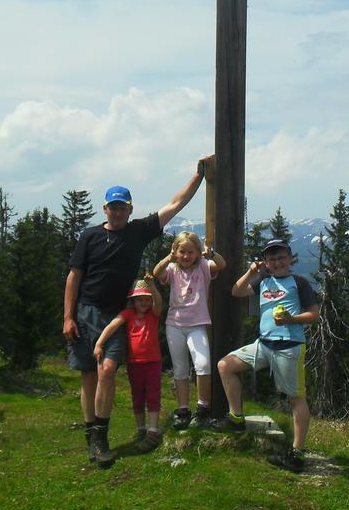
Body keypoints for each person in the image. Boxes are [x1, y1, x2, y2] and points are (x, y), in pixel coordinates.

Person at [63, 156, 210, 468]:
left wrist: (199, 174)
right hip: (85, 311)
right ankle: (92, 435)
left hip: (117, 315)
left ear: (130, 209)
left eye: (122, 207)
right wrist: (68, 316)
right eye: (112, 206)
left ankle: (101, 436)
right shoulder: (89, 236)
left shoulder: (138, 231)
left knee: (106, 370)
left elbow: (176, 203)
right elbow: (74, 275)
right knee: (88, 376)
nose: (117, 211)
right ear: (105, 209)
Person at [213, 238, 321, 472]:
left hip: (289, 346)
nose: (277, 262)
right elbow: (237, 291)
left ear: (290, 258)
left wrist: (291, 319)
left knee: (295, 399)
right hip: (263, 345)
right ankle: (236, 418)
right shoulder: (263, 281)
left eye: (281, 257)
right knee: (225, 366)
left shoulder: (299, 283)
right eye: (271, 259)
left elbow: (314, 314)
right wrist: (251, 271)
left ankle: (297, 454)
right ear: (266, 263)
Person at [151, 231, 226, 429]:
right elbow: (157, 272)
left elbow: (221, 265)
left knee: (203, 364)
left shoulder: (203, 267)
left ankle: (203, 408)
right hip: (174, 324)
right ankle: (183, 409)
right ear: (176, 252)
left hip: (197, 324)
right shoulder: (172, 269)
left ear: (197, 252)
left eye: (190, 252)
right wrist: (169, 256)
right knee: (180, 368)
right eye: (182, 251)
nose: (186, 256)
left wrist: (210, 253)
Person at [94, 276, 163, 452]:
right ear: (133, 300)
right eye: (140, 299)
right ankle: (141, 430)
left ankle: (153, 431)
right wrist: (99, 343)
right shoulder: (128, 314)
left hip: (153, 362)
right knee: (137, 397)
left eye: (147, 299)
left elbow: (159, 303)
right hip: (134, 363)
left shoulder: (154, 315)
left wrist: (152, 286)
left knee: (153, 395)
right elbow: (112, 325)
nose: (144, 302)